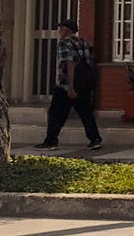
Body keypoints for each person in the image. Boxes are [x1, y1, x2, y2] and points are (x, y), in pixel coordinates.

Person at [34, 19, 102, 150]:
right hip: (84, 84)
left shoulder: (64, 44)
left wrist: (71, 87)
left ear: (68, 30)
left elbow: (69, 64)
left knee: (55, 113)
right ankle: (95, 139)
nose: (59, 31)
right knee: (86, 113)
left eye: (62, 28)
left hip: (66, 86)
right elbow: (90, 62)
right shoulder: (83, 43)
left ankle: (51, 141)